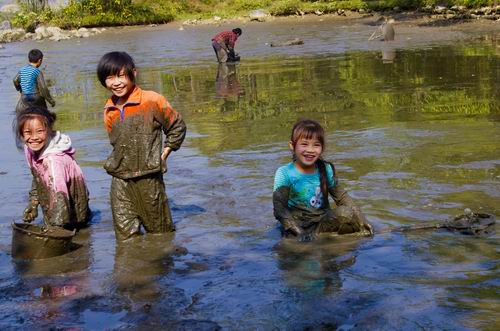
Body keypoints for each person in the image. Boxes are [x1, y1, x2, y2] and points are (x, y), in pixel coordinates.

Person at [96, 51, 187, 241]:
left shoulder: (152, 100)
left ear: (133, 74)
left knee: (160, 235)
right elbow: (115, 143)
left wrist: (164, 154)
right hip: (120, 179)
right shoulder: (108, 109)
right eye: (110, 78)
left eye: (121, 76)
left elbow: (177, 126)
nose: (116, 83)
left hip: (149, 177)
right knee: (125, 239)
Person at [273, 119, 373, 241]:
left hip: (323, 222)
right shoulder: (284, 173)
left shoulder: (326, 169)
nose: (310, 150)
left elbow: (342, 197)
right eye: (304, 144)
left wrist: (362, 220)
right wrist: (300, 234)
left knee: (346, 214)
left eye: (316, 145)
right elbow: (280, 209)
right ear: (292, 146)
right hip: (298, 226)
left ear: (322, 148)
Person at [14, 106, 90, 230]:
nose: (34, 138)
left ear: (49, 130)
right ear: (21, 134)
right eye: (28, 132)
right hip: (55, 199)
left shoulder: (54, 161)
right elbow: (37, 176)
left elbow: (61, 197)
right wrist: (34, 203)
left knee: (76, 232)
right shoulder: (30, 149)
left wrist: (54, 230)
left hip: (72, 204)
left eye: (39, 131)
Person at [13, 49, 56, 113]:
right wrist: (51, 101)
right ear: (40, 60)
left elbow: (15, 80)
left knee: (20, 109)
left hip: (24, 97)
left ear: (29, 59)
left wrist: (20, 89)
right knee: (45, 112)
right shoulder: (37, 71)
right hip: (36, 98)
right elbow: (43, 88)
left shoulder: (22, 70)